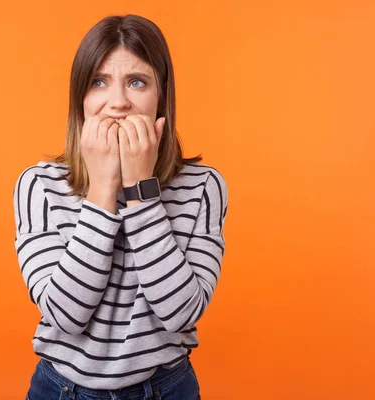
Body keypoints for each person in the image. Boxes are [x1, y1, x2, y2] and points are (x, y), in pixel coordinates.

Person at [13, 14, 228, 400]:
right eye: (99, 82)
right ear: (81, 100)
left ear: (161, 96)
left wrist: (140, 189)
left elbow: (181, 314)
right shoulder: (38, 186)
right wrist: (102, 188)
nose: (118, 103)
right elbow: (66, 315)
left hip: (167, 388)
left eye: (137, 82)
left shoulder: (203, 187)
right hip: (62, 389)